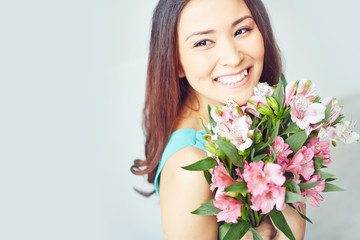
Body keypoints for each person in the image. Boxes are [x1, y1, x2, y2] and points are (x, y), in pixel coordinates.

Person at [131, 0, 306, 239]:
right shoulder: (189, 166)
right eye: (203, 42)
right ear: (176, 62)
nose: (233, 58)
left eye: (242, 30)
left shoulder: (252, 114)